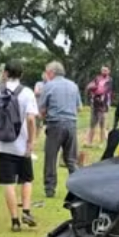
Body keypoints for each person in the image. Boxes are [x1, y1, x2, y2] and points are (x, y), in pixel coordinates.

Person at [0, 60, 40, 232]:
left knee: (8, 182)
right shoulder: (27, 93)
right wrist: (31, 141)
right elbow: (30, 119)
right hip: (22, 145)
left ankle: (15, 220)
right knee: (27, 179)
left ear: (5, 73)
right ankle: (27, 210)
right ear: (21, 74)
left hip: (3, 144)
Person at [37, 60, 82, 198]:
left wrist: (42, 119)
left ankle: (50, 189)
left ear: (51, 72)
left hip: (55, 124)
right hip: (71, 124)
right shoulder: (73, 86)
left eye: (47, 72)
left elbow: (42, 109)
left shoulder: (48, 86)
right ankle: (78, 189)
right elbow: (79, 108)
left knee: (51, 157)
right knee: (71, 159)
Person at [85, 65, 113, 146]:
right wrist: (91, 89)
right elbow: (89, 87)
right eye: (102, 70)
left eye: (105, 70)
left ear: (109, 71)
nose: (103, 71)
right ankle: (89, 142)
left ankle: (101, 143)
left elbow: (104, 90)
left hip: (104, 104)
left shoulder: (109, 80)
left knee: (102, 124)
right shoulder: (97, 78)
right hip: (95, 103)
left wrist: (95, 89)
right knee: (92, 123)